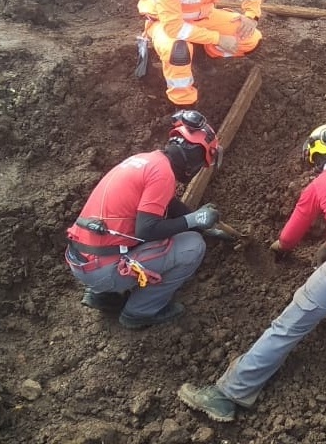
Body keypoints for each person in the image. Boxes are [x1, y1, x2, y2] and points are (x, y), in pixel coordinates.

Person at [178, 123, 326, 423]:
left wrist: (278, 249)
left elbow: (290, 237)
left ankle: (229, 394)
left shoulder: (317, 186)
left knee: (291, 323)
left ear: (315, 156)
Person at [64, 110, 223, 329]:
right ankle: (140, 312)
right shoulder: (164, 175)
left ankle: (102, 296)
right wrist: (194, 220)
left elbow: (167, 205)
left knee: (142, 229)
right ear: (194, 160)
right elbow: (146, 230)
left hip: (82, 259)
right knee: (192, 246)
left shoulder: (146, 161)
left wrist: (200, 223)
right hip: (102, 270)